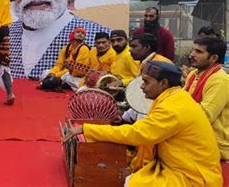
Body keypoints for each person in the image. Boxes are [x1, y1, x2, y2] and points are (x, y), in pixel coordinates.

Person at [66, 61, 223, 186]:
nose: (141, 87)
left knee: (132, 183)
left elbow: (138, 134)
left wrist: (86, 129)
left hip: (193, 176)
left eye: (146, 82)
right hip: (175, 165)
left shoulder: (173, 108)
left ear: (164, 83)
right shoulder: (173, 97)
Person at [185, 36, 228, 162]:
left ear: (214, 58)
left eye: (199, 52)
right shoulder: (193, 74)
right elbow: (181, 100)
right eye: (193, 50)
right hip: (195, 141)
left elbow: (204, 116)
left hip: (215, 146)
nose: (192, 55)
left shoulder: (220, 80)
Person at [39, 27, 90, 91]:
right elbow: (59, 64)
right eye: (78, 32)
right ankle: (57, 82)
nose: (80, 34)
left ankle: (57, 83)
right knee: (46, 73)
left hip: (75, 75)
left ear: (84, 37)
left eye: (82, 33)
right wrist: (52, 73)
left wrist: (57, 75)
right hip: (65, 72)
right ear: (73, 34)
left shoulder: (84, 49)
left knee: (67, 78)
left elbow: (78, 71)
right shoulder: (66, 48)